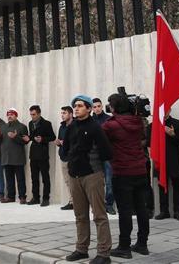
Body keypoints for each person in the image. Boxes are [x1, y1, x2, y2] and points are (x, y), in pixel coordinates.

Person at [64, 95, 112, 264]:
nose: (76, 109)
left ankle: (104, 254)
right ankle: (81, 249)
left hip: (92, 175)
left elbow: (107, 152)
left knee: (99, 215)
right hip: (74, 175)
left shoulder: (95, 127)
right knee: (80, 215)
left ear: (89, 109)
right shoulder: (71, 126)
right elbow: (65, 149)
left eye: (80, 106)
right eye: (75, 106)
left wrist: (93, 162)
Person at [102, 93, 150, 259]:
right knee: (141, 208)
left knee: (125, 211)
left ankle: (124, 246)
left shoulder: (112, 125)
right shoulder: (138, 121)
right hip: (140, 170)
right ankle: (142, 244)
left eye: (110, 105)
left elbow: (100, 137)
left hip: (122, 172)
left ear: (114, 107)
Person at [150, 112, 179, 221]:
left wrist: (173, 135)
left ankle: (178, 211)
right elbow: (149, 142)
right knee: (162, 185)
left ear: (169, 109)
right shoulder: (153, 125)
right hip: (159, 160)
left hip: (173, 158)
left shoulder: (177, 123)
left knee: (176, 184)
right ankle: (164, 211)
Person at [27, 105, 55, 206]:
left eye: (34, 114)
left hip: (43, 154)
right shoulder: (30, 123)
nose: (32, 116)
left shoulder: (47, 124)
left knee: (45, 178)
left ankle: (46, 198)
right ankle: (35, 198)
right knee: (34, 178)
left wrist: (42, 139)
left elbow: (52, 137)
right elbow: (31, 136)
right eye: (31, 114)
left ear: (39, 114)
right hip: (33, 154)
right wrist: (29, 138)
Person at [0, 108, 29, 204]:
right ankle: (11, 196)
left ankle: (22, 197)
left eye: (12, 114)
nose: (9, 116)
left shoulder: (22, 127)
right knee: (9, 179)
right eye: (8, 115)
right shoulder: (3, 127)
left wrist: (15, 137)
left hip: (18, 157)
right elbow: (0, 142)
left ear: (16, 116)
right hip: (6, 157)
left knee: (20, 179)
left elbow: (25, 142)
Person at [93, 98, 115, 215]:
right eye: (94, 107)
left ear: (102, 106)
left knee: (109, 181)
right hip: (94, 155)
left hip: (107, 155)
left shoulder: (108, 119)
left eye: (98, 106)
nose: (97, 109)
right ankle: (97, 205)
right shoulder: (90, 120)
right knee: (95, 182)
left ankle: (109, 204)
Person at [57, 106, 74, 210]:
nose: (62, 115)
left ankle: (77, 202)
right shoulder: (62, 126)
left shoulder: (76, 125)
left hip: (73, 157)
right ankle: (72, 202)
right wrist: (58, 143)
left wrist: (67, 143)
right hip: (64, 156)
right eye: (62, 113)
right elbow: (60, 140)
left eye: (64, 113)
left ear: (71, 114)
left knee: (75, 181)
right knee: (67, 181)